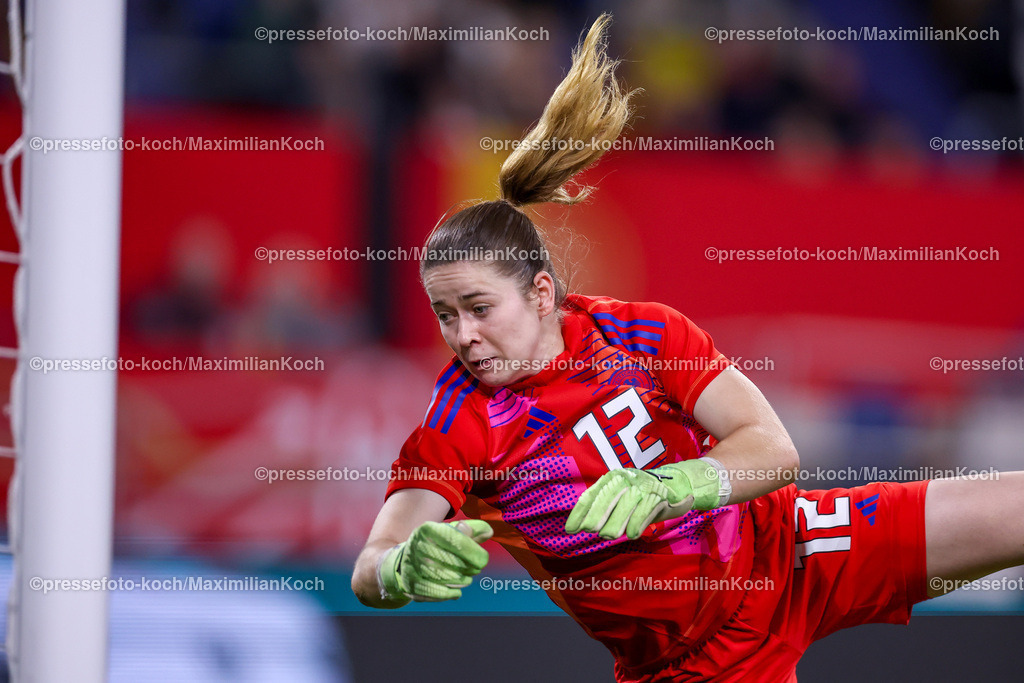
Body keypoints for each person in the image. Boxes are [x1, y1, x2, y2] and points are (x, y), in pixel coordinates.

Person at [351, 14, 1024, 682]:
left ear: (540, 293)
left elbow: (772, 449)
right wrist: (399, 566)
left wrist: (671, 485)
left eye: (478, 308)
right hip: (695, 664)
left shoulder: (641, 331)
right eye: (444, 314)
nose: (462, 334)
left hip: (793, 547)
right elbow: (373, 562)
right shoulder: (460, 423)